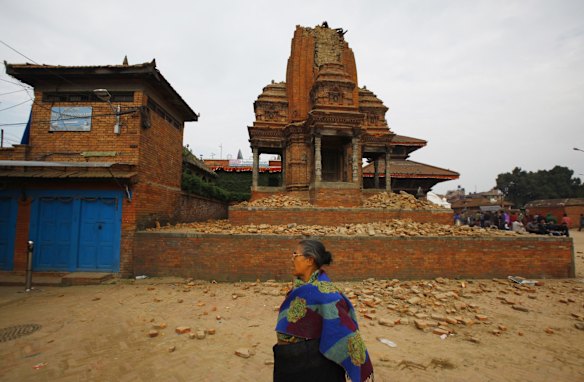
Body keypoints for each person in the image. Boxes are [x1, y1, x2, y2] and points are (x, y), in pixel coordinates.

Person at [273, 239, 374, 382]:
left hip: (315, 367)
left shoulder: (326, 295)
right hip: (291, 361)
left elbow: (344, 331)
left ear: (309, 260)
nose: (292, 259)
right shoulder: (300, 287)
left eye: (295, 255)